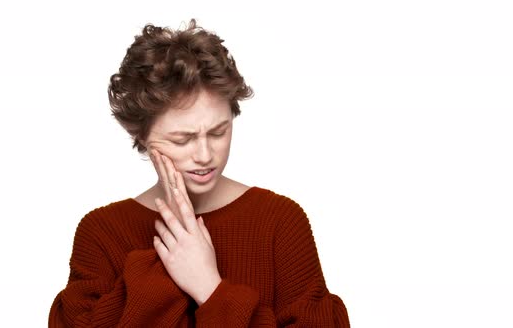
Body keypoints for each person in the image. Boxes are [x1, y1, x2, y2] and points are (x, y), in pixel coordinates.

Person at [48, 19, 350, 327]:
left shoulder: (280, 221)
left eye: (219, 132)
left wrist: (211, 289)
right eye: (183, 139)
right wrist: (167, 263)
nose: (205, 156)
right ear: (141, 134)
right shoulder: (101, 233)